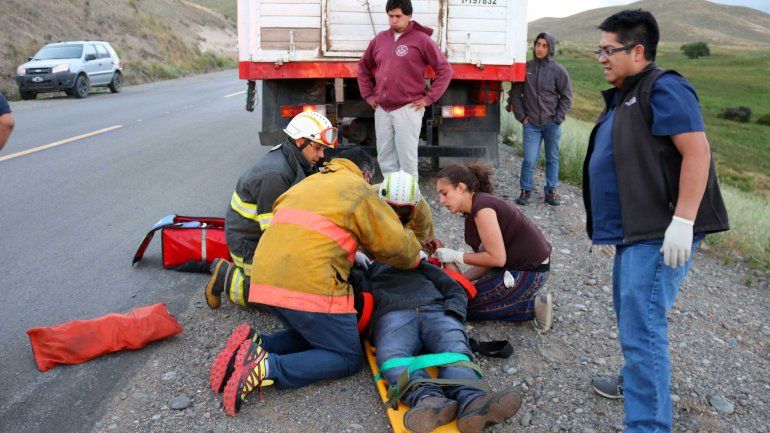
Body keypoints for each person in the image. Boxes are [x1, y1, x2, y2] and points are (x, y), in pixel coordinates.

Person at [584, 10, 729, 433]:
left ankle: (647, 425)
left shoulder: (664, 87)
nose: (601, 58)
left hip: (659, 231)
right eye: (599, 50)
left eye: (608, 50)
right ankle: (633, 383)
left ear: (637, 51)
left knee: (643, 327)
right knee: (635, 319)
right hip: (635, 231)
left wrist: (683, 221)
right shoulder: (627, 93)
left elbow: (697, 152)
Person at [210, 149, 424, 416]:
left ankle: (256, 343)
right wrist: (416, 256)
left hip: (263, 279)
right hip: (306, 283)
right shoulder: (358, 189)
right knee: (347, 356)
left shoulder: (308, 182)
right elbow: (395, 246)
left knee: (317, 335)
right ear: (366, 175)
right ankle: (265, 368)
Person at [363, 259, 522, 433]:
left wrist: (454, 312)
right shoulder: (367, 271)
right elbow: (357, 300)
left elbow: (453, 287)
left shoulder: (419, 263)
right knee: (391, 356)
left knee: (454, 349)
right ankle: (428, 398)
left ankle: (472, 399)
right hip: (392, 314)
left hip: (435, 308)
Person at [203, 111, 336, 309]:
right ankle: (226, 276)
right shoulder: (276, 175)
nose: (321, 155)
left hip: (261, 236)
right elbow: (274, 237)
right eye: (317, 148)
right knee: (280, 299)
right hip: (250, 243)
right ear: (300, 141)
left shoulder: (295, 159)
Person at [431, 164, 554, 331]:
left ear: (460, 188)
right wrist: (463, 282)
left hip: (530, 271)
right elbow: (487, 261)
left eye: (444, 193)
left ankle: (535, 306)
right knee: (461, 298)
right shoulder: (474, 209)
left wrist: (455, 256)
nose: (441, 200)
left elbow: (497, 258)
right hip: (511, 267)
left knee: (463, 307)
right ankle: (513, 300)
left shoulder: (482, 209)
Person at [357, 0, 452, 180]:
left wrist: (428, 99)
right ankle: (392, 194)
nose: (394, 20)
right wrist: (368, 95)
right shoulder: (379, 39)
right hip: (382, 108)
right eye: (390, 16)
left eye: (398, 16)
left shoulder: (422, 40)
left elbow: (445, 70)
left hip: (408, 108)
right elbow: (363, 67)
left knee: (407, 161)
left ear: (409, 16)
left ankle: (411, 196)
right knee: (385, 158)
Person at [508, 32, 572, 206]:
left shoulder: (558, 70)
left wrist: (558, 119)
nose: (540, 49)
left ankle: (551, 192)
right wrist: (522, 118)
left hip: (551, 124)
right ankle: (525, 190)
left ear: (550, 48)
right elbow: (515, 94)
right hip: (531, 124)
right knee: (529, 159)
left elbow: (566, 97)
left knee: (552, 159)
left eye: (545, 46)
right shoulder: (526, 68)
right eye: (538, 45)